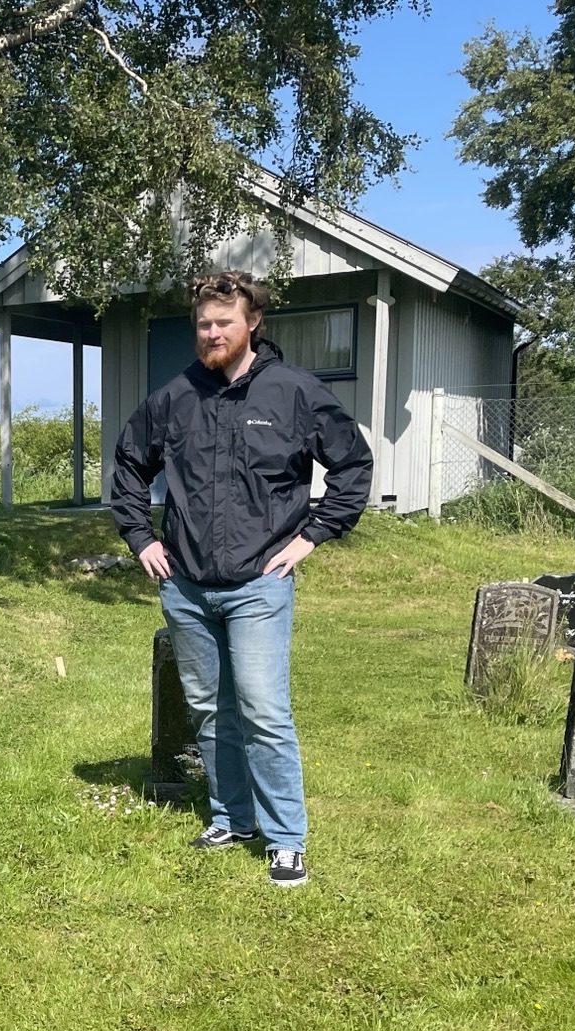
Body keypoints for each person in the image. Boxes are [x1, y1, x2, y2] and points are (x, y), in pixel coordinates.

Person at [110, 270, 372, 887]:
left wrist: (311, 536)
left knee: (262, 709)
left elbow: (353, 466)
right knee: (207, 707)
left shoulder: (294, 394)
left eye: (223, 322)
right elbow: (127, 466)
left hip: (259, 580)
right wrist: (141, 537)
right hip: (187, 584)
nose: (211, 333)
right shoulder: (174, 398)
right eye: (202, 323)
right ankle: (233, 817)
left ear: (252, 322)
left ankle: (286, 839)